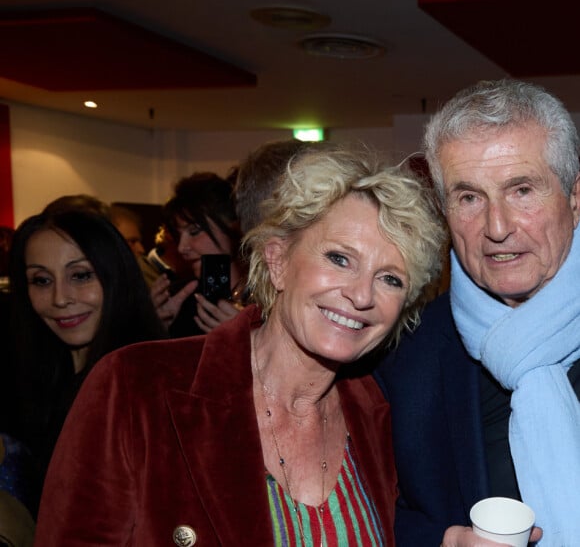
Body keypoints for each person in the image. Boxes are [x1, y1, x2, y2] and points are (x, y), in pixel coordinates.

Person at [34, 146, 445, 545]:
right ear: (277, 260)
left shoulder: (380, 414)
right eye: (339, 258)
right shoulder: (137, 387)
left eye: (391, 278)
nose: (361, 295)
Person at [374, 79, 580, 546]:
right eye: (469, 197)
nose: (497, 227)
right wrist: (440, 542)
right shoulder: (403, 356)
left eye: (522, 190)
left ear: (575, 196)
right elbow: (372, 512)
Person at [8, 210, 166, 487]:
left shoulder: (149, 389)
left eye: (80, 276)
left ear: (116, 276)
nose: (60, 299)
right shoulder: (28, 380)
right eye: (42, 280)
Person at [151, 172, 246, 336]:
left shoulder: (269, 297)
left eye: (194, 232)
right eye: (178, 235)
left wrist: (248, 338)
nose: (182, 247)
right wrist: (154, 328)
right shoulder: (178, 299)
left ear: (234, 226)